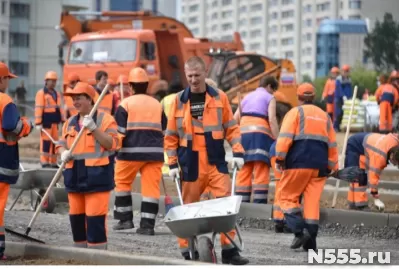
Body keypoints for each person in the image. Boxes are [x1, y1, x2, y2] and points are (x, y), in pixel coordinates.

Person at [164, 56, 249, 265]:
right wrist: (173, 164)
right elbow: (171, 135)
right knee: (188, 209)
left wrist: (238, 152)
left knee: (225, 206)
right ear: (186, 74)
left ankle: (229, 251)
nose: (193, 79)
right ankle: (188, 252)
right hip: (190, 162)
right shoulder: (178, 100)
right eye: (190, 75)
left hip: (215, 160)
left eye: (197, 75)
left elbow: (231, 127)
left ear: (205, 73)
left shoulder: (219, 97)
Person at [56, 82, 120, 250]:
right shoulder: (69, 122)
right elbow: (60, 144)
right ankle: (80, 258)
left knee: (95, 220)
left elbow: (113, 144)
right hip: (74, 178)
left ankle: (97, 258)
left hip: (96, 179)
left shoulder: (105, 120)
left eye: (79, 98)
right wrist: (63, 152)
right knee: (76, 220)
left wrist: (94, 128)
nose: (75, 102)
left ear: (90, 99)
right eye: (73, 99)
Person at [275, 82, 338, 251]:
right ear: (314, 97)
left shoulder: (295, 113)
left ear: (299, 97)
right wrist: (332, 166)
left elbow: (285, 137)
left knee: (286, 197)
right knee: (311, 203)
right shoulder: (325, 116)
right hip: (319, 166)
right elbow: (332, 144)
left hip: (298, 163)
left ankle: (299, 231)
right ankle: (311, 243)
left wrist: (279, 158)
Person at [112, 67, 166, 235]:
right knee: (151, 189)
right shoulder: (157, 104)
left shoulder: (125, 104)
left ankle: (125, 219)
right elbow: (164, 129)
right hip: (154, 154)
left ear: (130, 86)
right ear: (147, 85)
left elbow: (119, 133)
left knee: (122, 182)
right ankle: (147, 225)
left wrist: (115, 151)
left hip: (130, 153)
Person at [0, 62, 34, 260]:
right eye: (7, 79)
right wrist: (27, 126)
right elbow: (12, 126)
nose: (8, 83)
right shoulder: (5, 100)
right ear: (2, 79)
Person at [233, 76, 279, 204]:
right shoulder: (270, 98)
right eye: (273, 90)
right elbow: (272, 119)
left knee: (244, 169)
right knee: (261, 169)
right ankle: (259, 203)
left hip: (244, 136)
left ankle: (242, 203)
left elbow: (235, 118)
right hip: (260, 136)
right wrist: (278, 139)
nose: (273, 93)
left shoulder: (246, 97)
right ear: (269, 86)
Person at [345, 132, 399, 210]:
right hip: (355, 146)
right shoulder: (380, 156)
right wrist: (375, 195)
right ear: (392, 155)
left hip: (362, 142)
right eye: (394, 162)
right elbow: (373, 176)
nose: (394, 165)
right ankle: (360, 204)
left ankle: (353, 203)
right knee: (360, 176)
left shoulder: (395, 142)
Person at [35, 71, 65, 168]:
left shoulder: (56, 94)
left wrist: (63, 120)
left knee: (55, 142)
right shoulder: (41, 93)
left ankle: (53, 162)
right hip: (46, 122)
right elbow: (39, 108)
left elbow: (60, 107)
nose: (52, 83)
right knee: (46, 143)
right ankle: (44, 162)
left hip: (55, 122)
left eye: (54, 81)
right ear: (46, 81)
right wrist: (38, 123)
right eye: (51, 81)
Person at [333, 65, 352, 132]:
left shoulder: (349, 79)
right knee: (338, 112)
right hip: (338, 98)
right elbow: (339, 89)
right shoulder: (339, 79)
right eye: (345, 71)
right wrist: (343, 96)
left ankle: (340, 126)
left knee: (344, 113)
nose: (346, 73)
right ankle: (335, 127)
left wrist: (350, 97)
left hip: (346, 99)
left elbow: (349, 89)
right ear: (342, 71)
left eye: (347, 71)